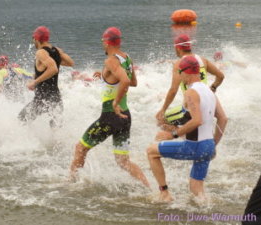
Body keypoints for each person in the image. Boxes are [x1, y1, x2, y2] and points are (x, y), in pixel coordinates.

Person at [70, 27, 150, 188]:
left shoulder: (110, 60)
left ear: (107, 42)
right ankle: (150, 187)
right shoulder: (126, 58)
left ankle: (70, 183)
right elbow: (133, 81)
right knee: (123, 161)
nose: (102, 45)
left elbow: (126, 82)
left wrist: (115, 103)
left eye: (102, 41)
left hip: (110, 115)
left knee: (80, 148)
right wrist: (106, 76)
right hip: (125, 116)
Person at [147, 56, 228, 202]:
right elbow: (223, 119)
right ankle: (207, 214)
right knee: (196, 190)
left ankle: (164, 193)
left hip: (195, 146)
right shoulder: (210, 91)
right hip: (207, 145)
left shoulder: (191, 92)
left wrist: (173, 134)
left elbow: (197, 120)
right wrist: (213, 144)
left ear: (187, 72)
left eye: (180, 73)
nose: (179, 76)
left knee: (152, 152)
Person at [156, 34, 225, 127]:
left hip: (191, 108)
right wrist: (212, 88)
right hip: (207, 104)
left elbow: (173, 90)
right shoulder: (202, 60)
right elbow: (220, 76)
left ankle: (179, 138)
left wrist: (163, 109)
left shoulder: (179, 64)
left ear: (178, 48)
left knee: (161, 121)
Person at [18, 26, 74, 126]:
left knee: (21, 120)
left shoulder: (41, 52)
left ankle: (20, 141)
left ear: (36, 39)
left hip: (43, 98)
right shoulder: (56, 50)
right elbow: (70, 62)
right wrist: (57, 57)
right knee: (55, 129)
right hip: (56, 97)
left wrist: (34, 82)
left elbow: (53, 69)